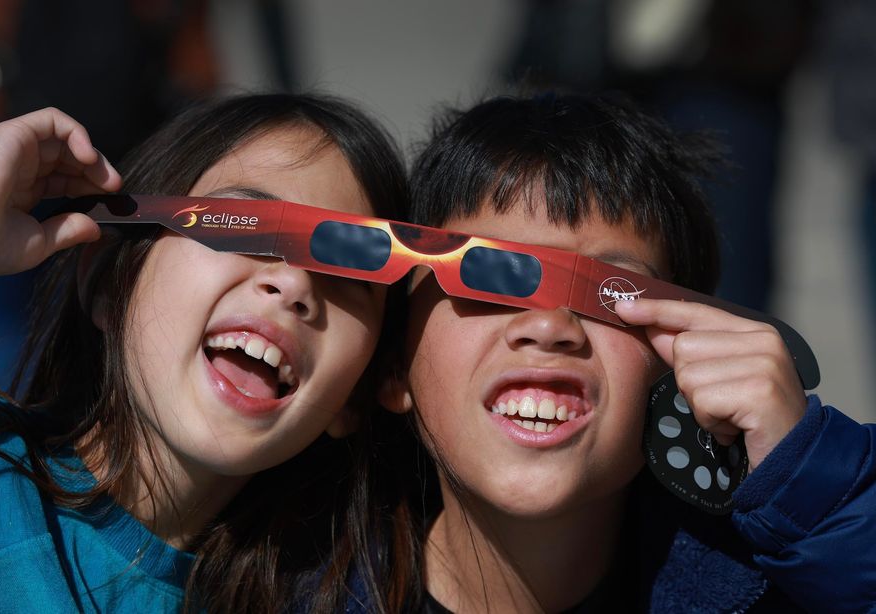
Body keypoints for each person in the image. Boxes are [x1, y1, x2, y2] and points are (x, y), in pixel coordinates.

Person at [0, 93, 409, 612]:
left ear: (356, 396)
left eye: (348, 270)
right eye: (243, 226)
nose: (294, 285)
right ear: (107, 287)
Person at [346, 90, 875, 612]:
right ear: (393, 368)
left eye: (613, 294)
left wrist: (814, 495)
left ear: (678, 371)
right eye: (487, 276)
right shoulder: (287, 589)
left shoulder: (791, 583)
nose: (551, 326)